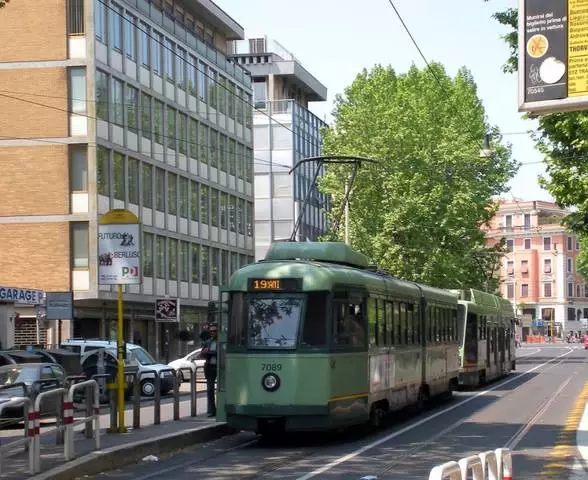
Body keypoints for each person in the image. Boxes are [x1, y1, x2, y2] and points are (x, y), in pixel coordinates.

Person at [201, 323, 218, 417]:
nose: (213, 333)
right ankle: (212, 410)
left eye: (215, 331)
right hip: (210, 367)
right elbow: (202, 353)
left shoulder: (221, 341)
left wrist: (210, 352)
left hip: (220, 367)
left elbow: (220, 352)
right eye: (211, 331)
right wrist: (207, 352)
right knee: (210, 389)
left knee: (222, 389)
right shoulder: (208, 342)